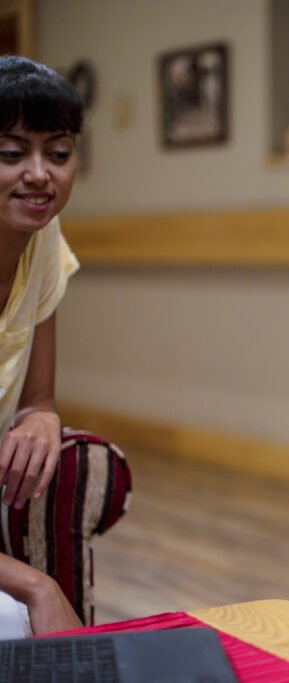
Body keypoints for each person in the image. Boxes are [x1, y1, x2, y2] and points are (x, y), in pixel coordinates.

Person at [0, 54, 85, 636]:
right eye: (11, 153)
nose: (39, 174)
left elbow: (40, 399)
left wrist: (42, 419)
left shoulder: (43, 237)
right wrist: (36, 584)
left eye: (58, 153)